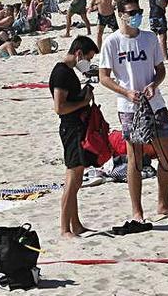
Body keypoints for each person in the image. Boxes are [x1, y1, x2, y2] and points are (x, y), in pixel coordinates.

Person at [99, 0, 168, 234]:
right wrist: (125, 92)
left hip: (154, 103)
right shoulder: (112, 42)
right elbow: (104, 77)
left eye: (138, 12)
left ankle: (164, 203)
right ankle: (137, 211)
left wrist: (154, 85)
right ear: (121, 15)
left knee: (167, 152)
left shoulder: (149, 38)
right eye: (131, 13)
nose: (136, 16)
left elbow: (160, 70)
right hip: (129, 107)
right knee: (135, 158)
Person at [50, 35, 99, 238]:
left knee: (76, 178)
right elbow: (59, 107)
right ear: (78, 53)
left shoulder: (68, 71)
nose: (87, 63)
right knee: (72, 178)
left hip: (76, 126)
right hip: (70, 128)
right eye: (87, 58)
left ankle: (75, 224)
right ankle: (64, 228)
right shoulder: (61, 73)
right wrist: (83, 102)